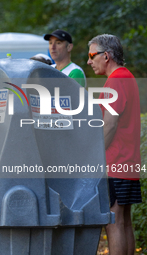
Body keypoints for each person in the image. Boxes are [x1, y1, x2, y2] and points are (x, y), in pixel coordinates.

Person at [87, 34, 142, 255]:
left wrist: (95, 156)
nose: (89, 61)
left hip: (115, 162)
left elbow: (109, 124)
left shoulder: (116, 80)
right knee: (124, 221)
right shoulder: (127, 77)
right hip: (128, 162)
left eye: (92, 55)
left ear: (106, 56)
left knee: (113, 221)